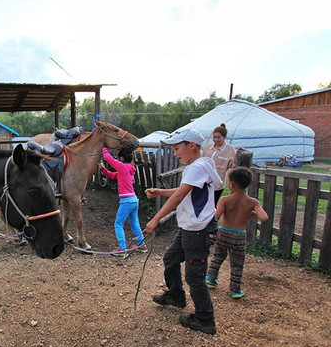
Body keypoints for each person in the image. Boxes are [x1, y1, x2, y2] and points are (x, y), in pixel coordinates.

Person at [145, 128, 222, 335]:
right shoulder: (198, 165)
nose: (175, 153)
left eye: (177, 148)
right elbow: (183, 192)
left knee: (195, 276)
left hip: (198, 230)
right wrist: (161, 191)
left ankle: (205, 319)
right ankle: (176, 296)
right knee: (171, 258)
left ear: (192, 146)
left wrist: (155, 219)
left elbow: (178, 198)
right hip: (189, 227)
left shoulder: (197, 167)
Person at [206, 167, 269, 298]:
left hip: (223, 232)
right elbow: (264, 218)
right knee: (237, 263)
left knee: (218, 256)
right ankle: (235, 289)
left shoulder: (225, 199)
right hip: (239, 235)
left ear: (231, 184)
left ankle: (211, 277)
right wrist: (252, 212)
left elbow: (216, 216)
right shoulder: (252, 202)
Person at [100, 146, 147, 257]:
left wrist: (103, 147)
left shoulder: (122, 167)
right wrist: (102, 169)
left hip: (126, 200)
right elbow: (112, 175)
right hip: (134, 200)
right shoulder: (128, 169)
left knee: (118, 224)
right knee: (135, 224)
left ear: (121, 158)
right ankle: (142, 246)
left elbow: (107, 157)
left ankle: (122, 249)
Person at [203, 123, 236, 205]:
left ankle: (214, 217)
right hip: (204, 181)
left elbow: (233, 164)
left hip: (217, 184)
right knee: (203, 204)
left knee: (212, 205)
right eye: (214, 137)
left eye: (218, 137)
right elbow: (202, 160)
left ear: (224, 137)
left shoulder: (229, 149)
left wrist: (238, 155)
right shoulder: (208, 147)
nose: (216, 140)